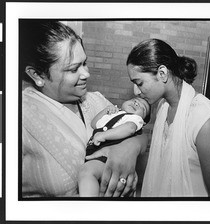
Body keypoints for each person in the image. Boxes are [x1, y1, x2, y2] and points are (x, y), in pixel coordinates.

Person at [21, 20, 148, 197]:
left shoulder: (95, 101)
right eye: (73, 69)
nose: (86, 74)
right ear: (37, 74)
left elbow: (140, 133)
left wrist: (130, 148)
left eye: (84, 63)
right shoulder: (19, 118)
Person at [126, 39, 210, 197]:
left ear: (162, 73)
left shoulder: (206, 120)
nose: (136, 91)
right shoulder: (163, 106)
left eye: (139, 83)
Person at [78, 97, 150, 197]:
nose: (137, 103)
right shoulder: (113, 114)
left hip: (109, 158)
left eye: (143, 107)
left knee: (87, 172)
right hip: (95, 153)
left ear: (143, 121)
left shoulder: (135, 119)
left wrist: (104, 135)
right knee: (92, 180)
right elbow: (94, 124)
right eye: (134, 100)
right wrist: (105, 111)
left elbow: (130, 128)